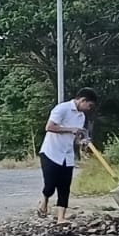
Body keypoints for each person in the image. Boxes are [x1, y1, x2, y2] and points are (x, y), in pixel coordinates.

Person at [38, 87, 98, 225]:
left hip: (67, 155)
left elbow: (76, 138)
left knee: (65, 186)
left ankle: (61, 218)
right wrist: (71, 129)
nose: (89, 108)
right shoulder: (62, 109)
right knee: (50, 186)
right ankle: (45, 199)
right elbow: (49, 127)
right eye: (89, 105)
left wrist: (82, 141)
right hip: (51, 152)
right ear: (82, 100)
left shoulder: (81, 117)